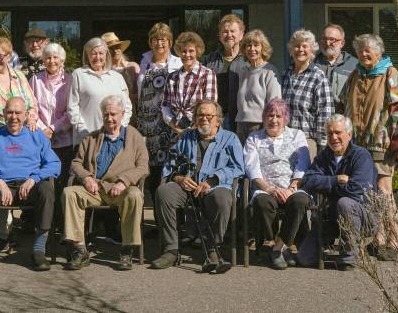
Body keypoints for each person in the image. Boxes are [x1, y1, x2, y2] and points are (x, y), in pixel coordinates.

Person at [340, 33, 398, 260]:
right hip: (357, 144)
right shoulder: (355, 74)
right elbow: (343, 104)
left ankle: (394, 240)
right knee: (369, 191)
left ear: (379, 52)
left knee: (384, 191)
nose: (364, 54)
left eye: (368, 50)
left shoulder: (389, 73)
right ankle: (379, 238)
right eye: (360, 50)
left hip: (380, 143)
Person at [151, 100, 243, 273]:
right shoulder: (186, 137)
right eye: (200, 115)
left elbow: (238, 167)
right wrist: (179, 178)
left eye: (209, 116)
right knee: (164, 192)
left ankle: (213, 249)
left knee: (222, 198)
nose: (204, 119)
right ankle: (171, 250)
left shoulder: (230, 139)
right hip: (187, 187)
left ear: (218, 120)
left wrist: (212, 181)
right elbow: (171, 162)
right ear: (194, 118)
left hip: (215, 187)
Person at [0, 97, 61, 272]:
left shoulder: (37, 136)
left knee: (47, 189)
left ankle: (39, 250)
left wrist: (34, 179)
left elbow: (54, 164)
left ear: (26, 115)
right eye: (10, 112)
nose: (14, 117)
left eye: (18, 113)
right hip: (1, 187)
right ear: (3, 114)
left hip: (28, 187)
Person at [63, 95, 149, 271]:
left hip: (121, 191)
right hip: (96, 189)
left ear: (122, 114)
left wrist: (124, 181)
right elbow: (76, 163)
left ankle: (127, 249)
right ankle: (80, 249)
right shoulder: (92, 138)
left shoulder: (134, 137)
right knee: (69, 193)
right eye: (106, 114)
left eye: (113, 114)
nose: (109, 118)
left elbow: (143, 167)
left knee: (135, 195)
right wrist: (87, 178)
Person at [297, 114, 378, 270]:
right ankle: (332, 246)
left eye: (338, 132)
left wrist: (327, 186)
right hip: (331, 216)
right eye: (330, 133)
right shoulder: (324, 156)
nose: (334, 137)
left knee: (345, 203)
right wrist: (336, 179)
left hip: (363, 216)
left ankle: (350, 257)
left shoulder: (361, 156)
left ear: (349, 134)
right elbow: (309, 181)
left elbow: (358, 189)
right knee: (304, 258)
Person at [243, 98, 310, 269]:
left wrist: (291, 188)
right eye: (270, 115)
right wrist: (269, 189)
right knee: (262, 202)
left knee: (300, 201)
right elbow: (251, 167)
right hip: (266, 187)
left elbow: (303, 164)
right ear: (264, 118)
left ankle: (278, 247)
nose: (274, 120)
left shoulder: (297, 135)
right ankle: (276, 244)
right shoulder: (254, 138)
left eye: (278, 116)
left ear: (285, 118)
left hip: (292, 187)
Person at [133, 23, 182, 193]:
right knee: (150, 166)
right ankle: (153, 201)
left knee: (170, 163)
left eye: (163, 40)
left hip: (169, 123)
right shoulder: (145, 62)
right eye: (155, 39)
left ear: (170, 42)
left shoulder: (177, 63)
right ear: (150, 42)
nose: (159, 43)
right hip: (147, 124)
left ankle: (168, 204)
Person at [68, 37, 132, 144]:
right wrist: (84, 132)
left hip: (114, 139)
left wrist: (120, 128)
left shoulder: (117, 77)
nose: (98, 57)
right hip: (87, 139)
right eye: (93, 53)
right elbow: (72, 107)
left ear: (106, 55)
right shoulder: (78, 74)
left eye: (101, 53)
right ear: (87, 56)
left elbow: (127, 107)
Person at [281, 29, 334, 158]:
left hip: (307, 141)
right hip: (285, 139)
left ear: (312, 51)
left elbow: (325, 114)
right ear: (291, 50)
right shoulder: (285, 74)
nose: (300, 49)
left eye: (305, 46)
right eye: (297, 46)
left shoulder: (318, 77)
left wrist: (323, 146)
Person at [29, 42, 74, 176]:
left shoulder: (70, 80)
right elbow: (31, 107)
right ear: (43, 60)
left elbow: (71, 111)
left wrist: (53, 129)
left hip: (64, 140)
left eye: (55, 57)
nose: (52, 61)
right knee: (42, 177)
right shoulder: (35, 80)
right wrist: (43, 130)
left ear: (62, 60)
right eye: (48, 58)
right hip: (40, 137)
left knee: (62, 177)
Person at [231, 30, 282, 142]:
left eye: (256, 45)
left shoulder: (269, 71)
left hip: (260, 125)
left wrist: (269, 127)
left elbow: (275, 104)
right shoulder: (244, 72)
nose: (252, 49)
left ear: (263, 48)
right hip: (241, 124)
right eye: (248, 46)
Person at [163, 32, 217, 136]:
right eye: (183, 51)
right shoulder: (172, 77)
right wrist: (177, 128)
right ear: (179, 52)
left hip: (200, 131)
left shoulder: (207, 74)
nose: (187, 55)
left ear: (197, 52)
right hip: (175, 132)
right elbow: (165, 107)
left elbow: (210, 107)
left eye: (191, 51)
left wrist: (191, 130)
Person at [200, 14, 245, 129]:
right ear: (219, 36)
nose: (229, 35)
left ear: (241, 34)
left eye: (232, 31)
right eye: (225, 32)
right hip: (216, 118)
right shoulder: (209, 60)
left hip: (242, 119)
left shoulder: (248, 60)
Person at [316, 23, 359, 103]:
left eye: (332, 39)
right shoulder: (312, 64)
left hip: (343, 111)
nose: (327, 43)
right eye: (324, 39)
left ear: (342, 43)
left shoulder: (354, 65)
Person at [104, 32, 139, 100]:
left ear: (121, 48)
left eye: (117, 47)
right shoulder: (105, 71)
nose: (115, 51)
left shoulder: (133, 66)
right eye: (111, 48)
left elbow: (142, 90)